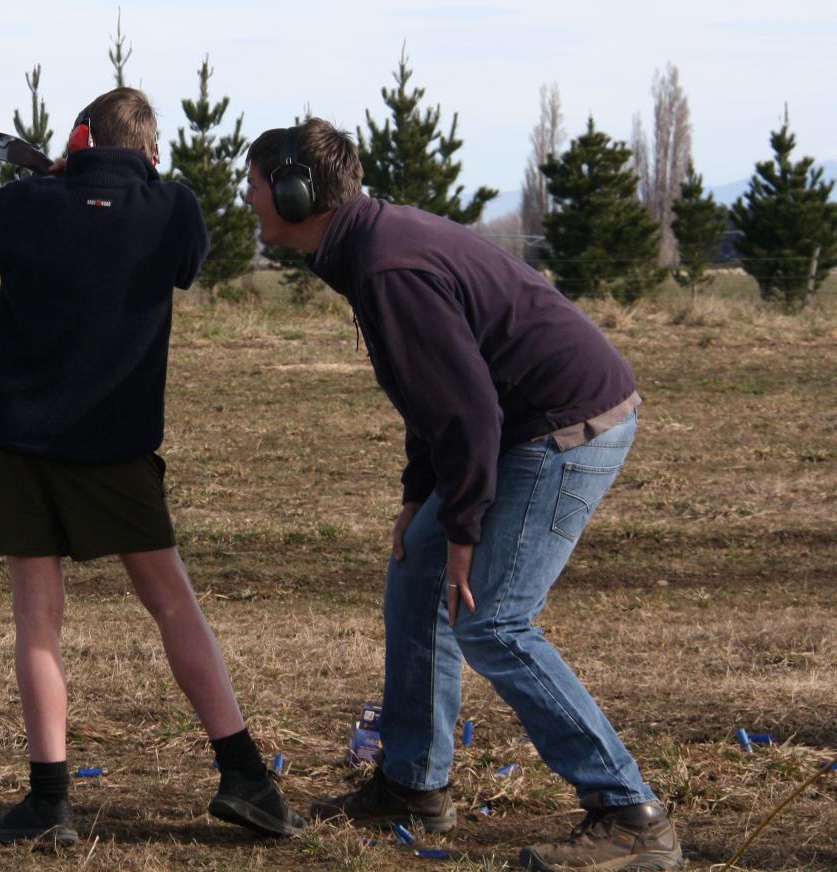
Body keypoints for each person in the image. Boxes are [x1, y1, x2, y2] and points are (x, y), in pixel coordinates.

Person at [243, 118, 682, 872]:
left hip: (563, 426)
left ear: (296, 192)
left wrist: (464, 526)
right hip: (522, 421)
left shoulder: (384, 268)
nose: (249, 197)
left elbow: (469, 410)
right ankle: (414, 784)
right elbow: (435, 393)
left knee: (494, 617)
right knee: (418, 569)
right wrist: (423, 499)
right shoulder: (368, 247)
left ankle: (628, 812)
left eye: (255, 183)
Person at [0, 87, 304, 846]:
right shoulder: (173, 208)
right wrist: (98, 179)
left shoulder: (29, 202)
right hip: (117, 447)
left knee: (38, 620)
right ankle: (246, 777)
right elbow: (184, 244)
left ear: (79, 137)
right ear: (150, 153)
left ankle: (50, 802)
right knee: (175, 606)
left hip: (20, 444)